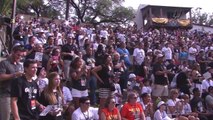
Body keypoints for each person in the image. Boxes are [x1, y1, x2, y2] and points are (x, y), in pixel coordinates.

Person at [0, 45, 26, 120]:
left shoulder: (19, 65)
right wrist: (14, 75)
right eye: (18, 55)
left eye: (21, 56)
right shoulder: (4, 63)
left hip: (17, 96)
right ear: (12, 52)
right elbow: (1, 77)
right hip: (6, 95)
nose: (19, 57)